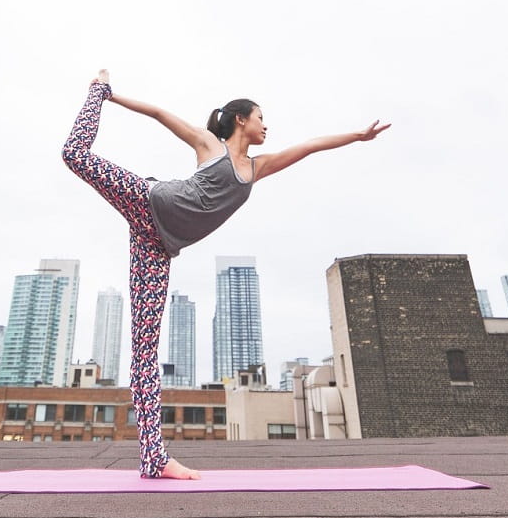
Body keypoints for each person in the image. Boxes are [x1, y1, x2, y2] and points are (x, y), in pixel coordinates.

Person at [61, 69, 390, 480]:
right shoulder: (209, 146)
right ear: (241, 119)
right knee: (74, 154)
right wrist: (110, 96)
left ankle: (154, 459)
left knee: (145, 349)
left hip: (158, 246)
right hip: (149, 200)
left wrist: (356, 137)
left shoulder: (257, 168)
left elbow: (307, 148)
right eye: (260, 117)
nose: (266, 125)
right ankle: (94, 90)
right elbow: (161, 114)